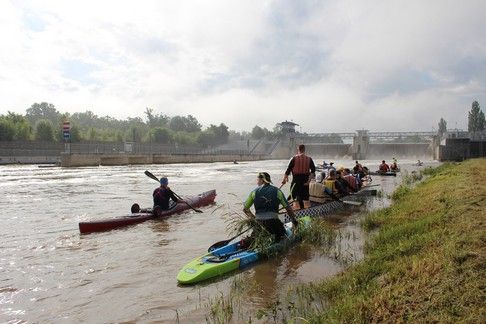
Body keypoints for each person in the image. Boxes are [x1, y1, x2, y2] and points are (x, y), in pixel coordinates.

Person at [243, 172, 298, 242]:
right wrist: (294, 221)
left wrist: (254, 220)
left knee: (254, 240)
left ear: (262, 180)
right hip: (274, 223)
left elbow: (245, 209)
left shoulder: (254, 192)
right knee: (284, 238)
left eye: (258, 180)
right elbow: (288, 209)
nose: (257, 182)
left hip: (259, 224)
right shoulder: (278, 191)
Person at [281, 144, 316, 209]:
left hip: (296, 182)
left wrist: (284, 180)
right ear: (304, 150)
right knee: (305, 198)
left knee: (294, 198)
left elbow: (288, 170)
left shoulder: (294, 159)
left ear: (298, 149)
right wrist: (308, 181)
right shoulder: (309, 159)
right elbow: (313, 171)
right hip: (305, 182)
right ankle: (306, 212)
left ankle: (296, 210)